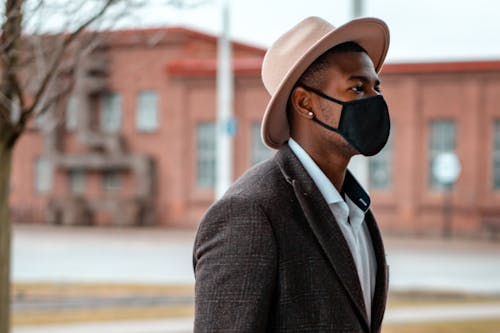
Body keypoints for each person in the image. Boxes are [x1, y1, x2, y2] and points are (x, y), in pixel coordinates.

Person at [193, 16, 391, 333]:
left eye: (376, 87)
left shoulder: (357, 212)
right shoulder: (249, 212)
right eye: (357, 88)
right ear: (304, 102)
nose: (376, 100)